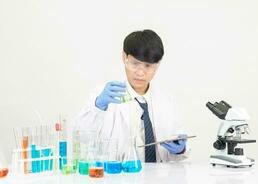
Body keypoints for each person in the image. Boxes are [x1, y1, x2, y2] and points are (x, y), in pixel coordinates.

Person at [74, 29, 188, 163]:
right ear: (124, 58)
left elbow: (178, 147)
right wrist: (98, 106)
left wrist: (180, 149)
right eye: (135, 64)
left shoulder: (166, 100)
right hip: (118, 176)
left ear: (158, 64)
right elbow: (81, 136)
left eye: (148, 66)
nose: (140, 73)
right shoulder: (104, 95)